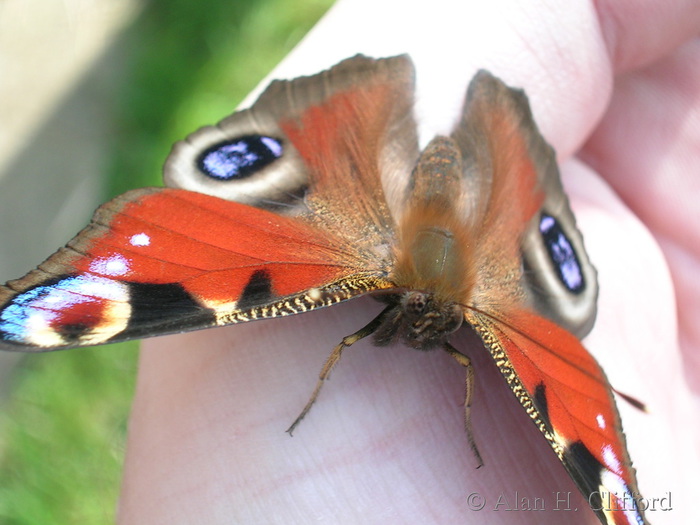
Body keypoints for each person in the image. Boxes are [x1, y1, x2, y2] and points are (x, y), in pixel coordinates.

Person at [117, 0, 700, 522]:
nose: (426, 329)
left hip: (371, 198)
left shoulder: (422, 291)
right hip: (430, 213)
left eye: (433, 318)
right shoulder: (441, 292)